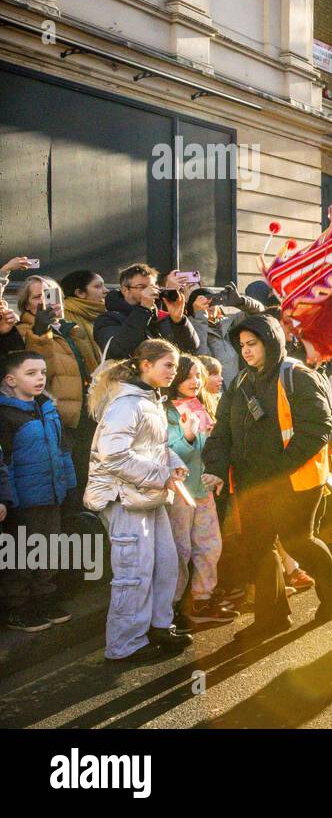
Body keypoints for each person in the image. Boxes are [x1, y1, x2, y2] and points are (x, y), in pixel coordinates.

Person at [202, 314, 332, 642]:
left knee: (298, 541)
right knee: (258, 546)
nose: (247, 351)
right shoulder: (240, 383)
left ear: (270, 342)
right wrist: (214, 466)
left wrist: (280, 467)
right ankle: (272, 618)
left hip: (295, 480)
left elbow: (318, 427)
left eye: (252, 344)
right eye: (242, 346)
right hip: (253, 482)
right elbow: (221, 431)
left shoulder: (297, 375)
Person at [83, 339, 193, 660]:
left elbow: (152, 447)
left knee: (164, 564)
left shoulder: (147, 398)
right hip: (123, 499)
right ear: (146, 365)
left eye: (175, 366)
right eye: (168, 365)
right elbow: (114, 456)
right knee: (135, 571)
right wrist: (162, 474)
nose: (174, 372)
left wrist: (173, 463)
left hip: (146, 495)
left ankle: (158, 627)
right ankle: (125, 645)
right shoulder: (127, 403)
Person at [0, 351, 77, 633]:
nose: (40, 378)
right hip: (22, 501)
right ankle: (18, 608)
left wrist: (68, 484)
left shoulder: (46, 407)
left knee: (49, 549)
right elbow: (3, 461)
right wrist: (6, 499)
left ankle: (44, 599)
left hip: (51, 494)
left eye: (42, 372)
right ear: (10, 380)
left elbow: (62, 448)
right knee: (21, 553)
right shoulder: (5, 415)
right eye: (30, 373)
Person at [164, 355, 236, 626]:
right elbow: (172, 453)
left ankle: (202, 598)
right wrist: (190, 436)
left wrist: (216, 471)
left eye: (198, 376)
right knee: (180, 550)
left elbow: (212, 448)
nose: (195, 381)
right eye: (189, 375)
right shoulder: (165, 410)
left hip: (203, 488)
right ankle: (171, 607)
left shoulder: (200, 403)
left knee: (210, 545)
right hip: (180, 493)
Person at [14, 276, 97, 503]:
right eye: (37, 296)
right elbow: (38, 373)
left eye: (51, 294)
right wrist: (40, 332)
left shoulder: (71, 330)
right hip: (58, 420)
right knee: (67, 490)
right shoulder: (24, 331)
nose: (46, 300)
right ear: (27, 304)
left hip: (84, 417)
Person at [93, 264, 198, 360]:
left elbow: (190, 350)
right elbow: (117, 352)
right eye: (142, 287)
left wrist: (179, 321)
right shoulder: (107, 319)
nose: (149, 291)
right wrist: (143, 310)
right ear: (125, 290)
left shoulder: (161, 317)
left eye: (152, 286)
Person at [57, 270, 107, 372]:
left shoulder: (101, 313)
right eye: (98, 286)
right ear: (80, 293)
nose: (105, 290)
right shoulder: (63, 314)